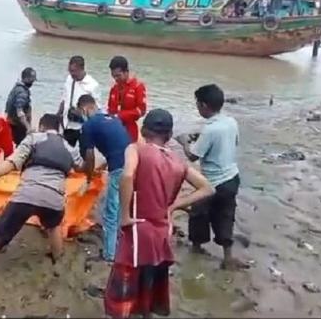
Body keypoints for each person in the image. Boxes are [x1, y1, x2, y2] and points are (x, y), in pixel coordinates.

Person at [104, 109, 214, 318]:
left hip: (138, 229)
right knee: (150, 281)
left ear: (144, 130)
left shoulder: (135, 149)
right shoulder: (178, 162)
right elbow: (207, 188)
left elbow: (127, 176)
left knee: (125, 285)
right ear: (169, 135)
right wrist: (175, 206)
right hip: (162, 232)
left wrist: (125, 216)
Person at [0, 114, 87, 281]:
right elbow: (82, 168)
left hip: (27, 195)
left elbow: (12, 163)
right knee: (53, 226)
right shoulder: (69, 147)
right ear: (58, 129)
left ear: (42, 126)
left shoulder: (34, 138)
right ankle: (58, 259)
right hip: (54, 197)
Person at [175, 84, 247, 270]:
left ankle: (197, 247)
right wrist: (200, 138)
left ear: (204, 106)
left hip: (212, 182)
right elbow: (232, 142)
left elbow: (193, 156)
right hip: (231, 178)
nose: (197, 107)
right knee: (225, 215)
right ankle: (228, 257)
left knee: (198, 214)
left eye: (198, 104)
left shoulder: (210, 130)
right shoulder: (231, 122)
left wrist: (184, 142)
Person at [77, 94, 131, 262]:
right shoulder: (113, 119)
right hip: (134, 164)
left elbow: (90, 156)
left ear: (85, 109)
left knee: (111, 211)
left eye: (81, 112)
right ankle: (124, 243)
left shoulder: (89, 125)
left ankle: (110, 254)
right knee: (124, 207)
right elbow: (118, 146)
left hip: (119, 169)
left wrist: (88, 179)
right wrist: (103, 167)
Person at [56, 55, 100, 147]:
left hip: (83, 127)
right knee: (65, 151)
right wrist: (58, 115)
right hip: (67, 124)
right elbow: (64, 98)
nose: (71, 74)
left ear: (81, 69)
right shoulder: (69, 79)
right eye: (70, 70)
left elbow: (96, 109)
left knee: (85, 153)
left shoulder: (92, 85)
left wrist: (81, 113)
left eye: (73, 71)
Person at [107, 56, 147, 143]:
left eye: (118, 76)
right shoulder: (114, 88)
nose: (116, 79)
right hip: (114, 129)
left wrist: (120, 116)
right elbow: (110, 109)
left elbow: (141, 111)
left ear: (126, 72)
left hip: (130, 130)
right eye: (113, 76)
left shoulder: (138, 86)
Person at [5, 67, 36, 146]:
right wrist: (28, 127)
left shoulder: (16, 88)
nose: (32, 82)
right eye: (32, 80)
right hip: (18, 126)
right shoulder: (22, 92)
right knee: (23, 147)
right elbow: (20, 112)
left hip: (11, 123)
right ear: (26, 78)